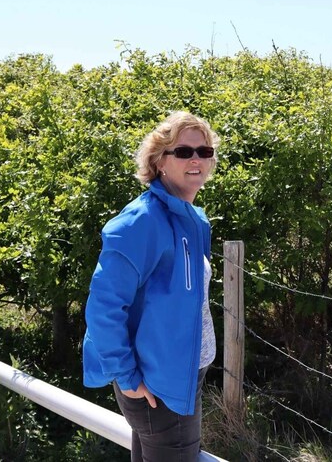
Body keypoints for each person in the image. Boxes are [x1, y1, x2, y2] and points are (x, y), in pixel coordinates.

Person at [82, 111, 219, 461]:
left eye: (204, 152)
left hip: (180, 378)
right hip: (157, 387)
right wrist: (127, 377)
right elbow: (103, 308)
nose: (196, 160)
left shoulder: (191, 219)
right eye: (184, 152)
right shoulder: (140, 221)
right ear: (159, 161)